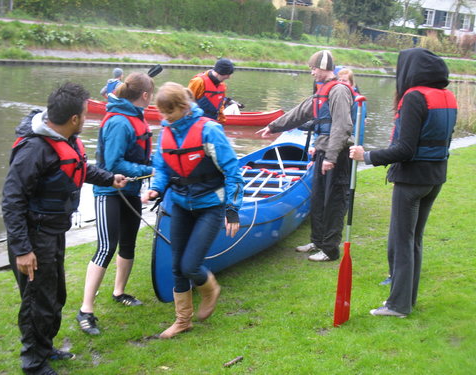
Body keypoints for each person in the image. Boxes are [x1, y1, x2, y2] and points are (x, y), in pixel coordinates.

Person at [2, 82, 127, 375]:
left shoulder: (64, 138)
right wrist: (22, 250)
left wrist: (110, 179)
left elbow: (77, 169)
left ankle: (44, 349)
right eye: (85, 114)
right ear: (74, 119)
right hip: (34, 237)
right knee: (38, 301)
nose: (87, 118)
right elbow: (12, 200)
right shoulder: (34, 148)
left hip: (54, 232)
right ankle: (33, 363)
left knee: (54, 296)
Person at [350, 48, 457, 318]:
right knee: (413, 240)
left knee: (403, 241)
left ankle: (398, 305)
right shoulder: (447, 96)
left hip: (411, 181)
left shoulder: (414, 97)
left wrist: (368, 156)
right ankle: (408, 298)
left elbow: (405, 150)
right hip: (435, 178)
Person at [142, 82, 243, 339]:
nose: (165, 117)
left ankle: (210, 289)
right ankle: (182, 321)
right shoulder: (166, 133)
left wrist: (232, 210)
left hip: (210, 206)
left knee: (190, 265)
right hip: (180, 204)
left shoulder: (209, 131)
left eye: (169, 112)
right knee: (177, 266)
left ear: (184, 106)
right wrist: (156, 188)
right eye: (161, 112)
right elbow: (162, 168)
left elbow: (233, 171)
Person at [258, 50, 356, 263]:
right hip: (322, 151)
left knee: (333, 202)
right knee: (318, 199)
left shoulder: (338, 91)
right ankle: (318, 241)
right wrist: (273, 126)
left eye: (313, 69)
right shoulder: (322, 91)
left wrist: (330, 156)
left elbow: (343, 125)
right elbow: (299, 112)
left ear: (323, 68)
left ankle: (330, 250)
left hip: (337, 155)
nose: (311, 73)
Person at [77, 72, 155, 335]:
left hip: (130, 190)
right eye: (151, 94)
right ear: (145, 95)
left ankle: (119, 291)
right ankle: (85, 310)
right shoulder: (120, 122)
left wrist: (149, 165)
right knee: (106, 247)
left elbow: (136, 154)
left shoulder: (135, 117)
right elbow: (111, 165)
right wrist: (148, 169)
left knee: (129, 244)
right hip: (108, 191)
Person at [188, 58, 234, 124]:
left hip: (212, 123)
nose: (229, 77)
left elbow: (220, 106)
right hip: (196, 122)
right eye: (228, 74)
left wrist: (222, 121)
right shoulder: (198, 82)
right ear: (220, 72)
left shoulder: (222, 86)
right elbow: (187, 102)